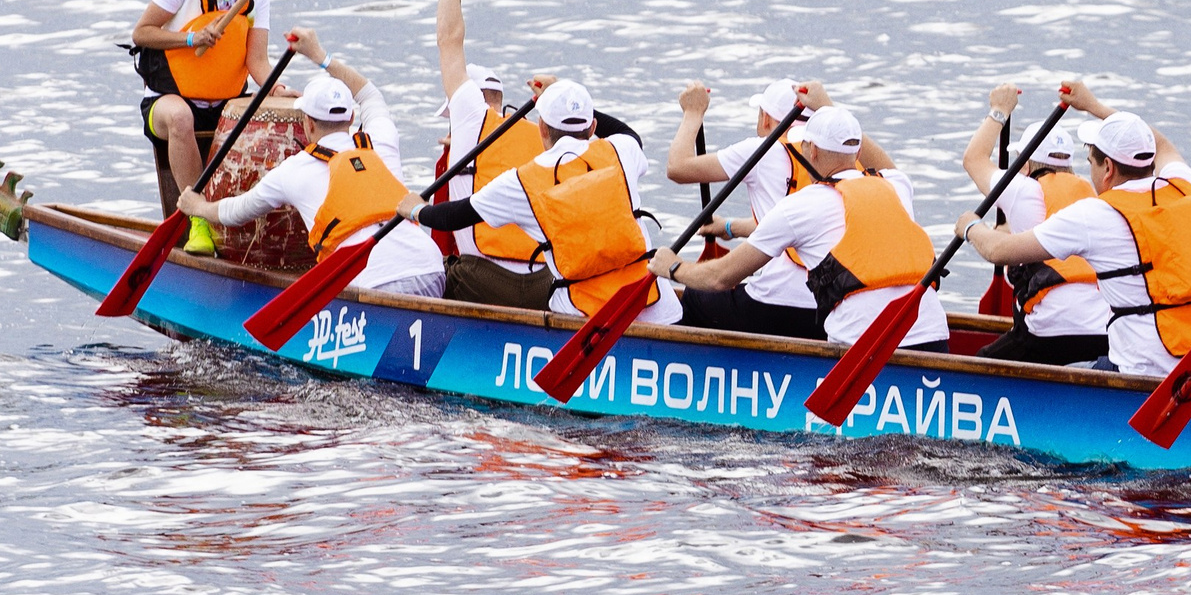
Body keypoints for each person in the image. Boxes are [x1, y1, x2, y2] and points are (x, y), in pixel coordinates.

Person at [957, 86, 1191, 379]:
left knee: (1065, 374)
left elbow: (998, 251)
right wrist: (1094, 106)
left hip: (1157, 377)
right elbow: (1162, 145)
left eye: (1091, 163)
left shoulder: (1096, 214)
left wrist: (970, 226)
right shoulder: (1185, 185)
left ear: (1107, 168)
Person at [176, 28, 443, 298]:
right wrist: (319, 55)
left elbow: (237, 211)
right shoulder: (380, 139)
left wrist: (198, 207)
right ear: (351, 118)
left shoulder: (293, 170)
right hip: (429, 268)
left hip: (372, 283)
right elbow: (369, 94)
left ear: (308, 124)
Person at [658, 105, 947, 354]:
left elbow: (721, 278)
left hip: (861, 351)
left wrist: (673, 268)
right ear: (858, 151)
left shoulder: (800, 205)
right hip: (934, 338)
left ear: (812, 150)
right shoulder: (897, 186)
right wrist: (731, 227)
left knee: (698, 298)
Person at [405, 78, 676, 324]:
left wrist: (416, 210)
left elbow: (454, 216)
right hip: (657, 305)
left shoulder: (522, 181)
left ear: (542, 128)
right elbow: (629, 134)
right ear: (592, 126)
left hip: (585, 314)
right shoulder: (621, 151)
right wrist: (563, 93)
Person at [664, 78, 889, 341]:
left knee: (697, 297)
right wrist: (729, 227)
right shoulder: (844, 157)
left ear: (766, 119)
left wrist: (693, 113)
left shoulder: (761, 150)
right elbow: (802, 226)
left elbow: (677, 168)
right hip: (834, 303)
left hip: (780, 303)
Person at [130, 0, 274, 251]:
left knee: (274, 113)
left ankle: (258, 224)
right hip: (169, 99)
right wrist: (191, 38)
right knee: (180, 118)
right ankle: (198, 220)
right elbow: (142, 32)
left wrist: (277, 87)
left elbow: (257, 62)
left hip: (226, 100)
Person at [959, 84, 1108, 365]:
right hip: (1105, 333)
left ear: (1024, 167)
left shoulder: (1022, 189)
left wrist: (999, 111)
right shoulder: (1093, 194)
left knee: (981, 363)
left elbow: (973, 159)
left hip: (1051, 335)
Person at [426, 0, 546, 268]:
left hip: (484, 279)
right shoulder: (545, 135)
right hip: (544, 279)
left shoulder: (464, 132)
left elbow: (449, 40)